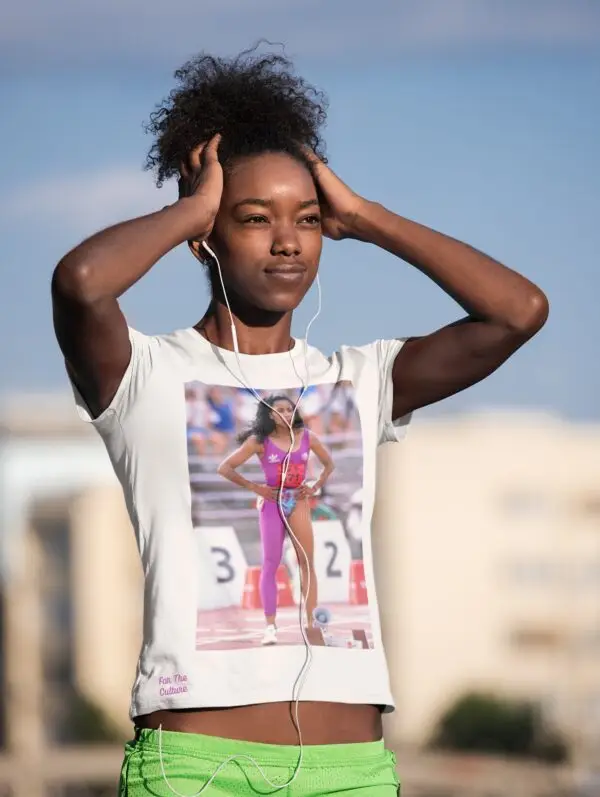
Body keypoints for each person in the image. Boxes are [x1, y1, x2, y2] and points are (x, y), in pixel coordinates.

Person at [51, 47, 548, 797]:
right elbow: (82, 284)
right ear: (205, 238)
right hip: (195, 769)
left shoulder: (360, 380)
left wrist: (369, 218)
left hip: (350, 772)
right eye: (254, 219)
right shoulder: (144, 375)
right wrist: (189, 206)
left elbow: (519, 311)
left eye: (308, 220)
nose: (288, 240)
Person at [217, 394, 334, 646]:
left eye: (289, 409)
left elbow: (328, 464)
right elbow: (225, 467)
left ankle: (313, 624)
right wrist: (255, 487)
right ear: (270, 415)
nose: (285, 413)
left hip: (298, 500)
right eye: (279, 409)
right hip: (272, 502)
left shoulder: (307, 437)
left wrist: (315, 486)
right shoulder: (259, 441)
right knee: (271, 563)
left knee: (306, 562)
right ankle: (270, 626)